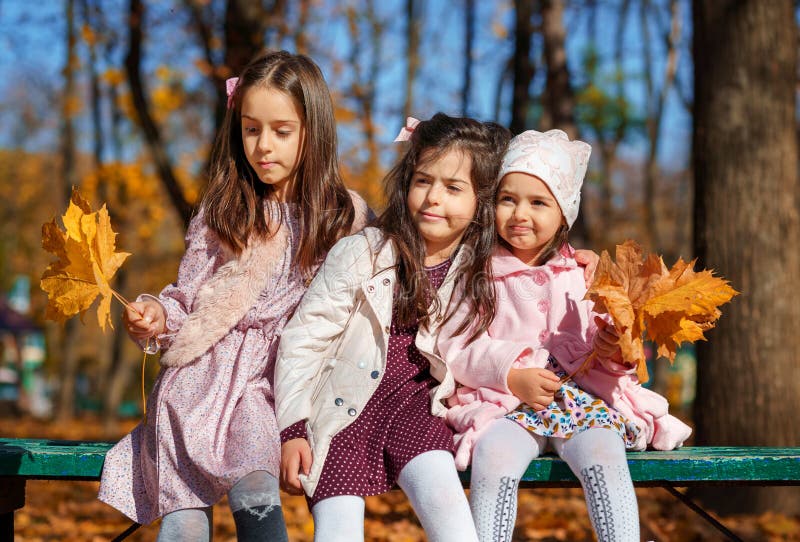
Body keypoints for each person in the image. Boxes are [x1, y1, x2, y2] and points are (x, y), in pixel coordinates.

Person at [98, 50, 370, 542]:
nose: (263, 146)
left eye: (282, 131)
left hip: (274, 382)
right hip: (203, 379)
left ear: (315, 130)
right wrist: (158, 315)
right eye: (250, 129)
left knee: (256, 487)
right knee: (183, 513)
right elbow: (188, 298)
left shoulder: (342, 217)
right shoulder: (225, 209)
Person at [437, 129, 692, 542]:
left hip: (582, 402)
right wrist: (510, 374)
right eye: (508, 199)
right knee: (494, 456)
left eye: (538, 202)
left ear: (564, 213)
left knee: (604, 456)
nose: (520, 213)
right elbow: (455, 347)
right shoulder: (477, 274)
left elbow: (610, 350)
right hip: (510, 404)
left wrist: (612, 349)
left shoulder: (584, 275)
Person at [275, 113, 514, 542]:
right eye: (423, 180)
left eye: (454, 187)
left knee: (455, 525)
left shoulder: (482, 269)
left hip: (417, 413)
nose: (432, 197)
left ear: (483, 201)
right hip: (342, 412)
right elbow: (302, 342)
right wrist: (293, 428)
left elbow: (542, 264)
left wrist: (574, 256)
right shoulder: (361, 253)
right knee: (337, 533)